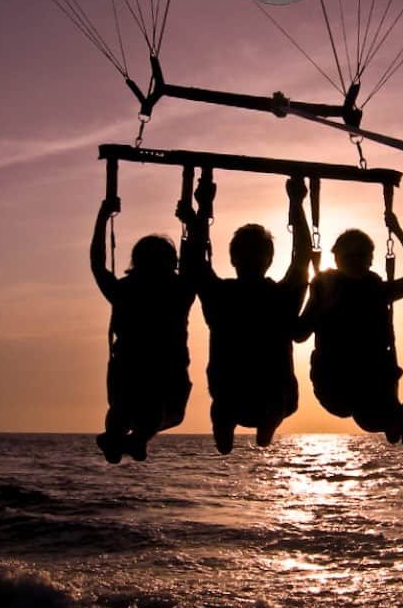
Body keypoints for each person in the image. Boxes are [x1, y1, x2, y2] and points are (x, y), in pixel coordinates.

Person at [192, 176, 312, 454]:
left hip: (230, 394)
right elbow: (303, 255)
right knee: (273, 403)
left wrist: (203, 208)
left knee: (222, 409)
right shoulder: (282, 296)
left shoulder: (219, 295)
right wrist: (297, 203)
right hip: (273, 394)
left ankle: (226, 429)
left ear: (233, 259)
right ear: (269, 260)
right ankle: (265, 426)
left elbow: (197, 261)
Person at [295, 210, 403, 446]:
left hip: (372, 382)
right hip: (336, 383)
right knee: (367, 415)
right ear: (337, 259)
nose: (356, 261)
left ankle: (396, 425)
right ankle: (395, 424)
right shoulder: (328, 288)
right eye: (350, 256)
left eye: (362, 256)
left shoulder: (375, 289)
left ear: (370, 260)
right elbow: (301, 333)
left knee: (372, 411)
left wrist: (398, 231)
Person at [90, 195, 200, 463]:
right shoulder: (178, 291)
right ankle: (134, 439)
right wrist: (192, 222)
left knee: (122, 408)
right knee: (156, 410)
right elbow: (196, 263)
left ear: (136, 262)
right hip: (164, 374)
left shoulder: (124, 290)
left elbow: (97, 263)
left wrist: (103, 218)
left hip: (127, 372)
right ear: (172, 264)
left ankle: (117, 437)